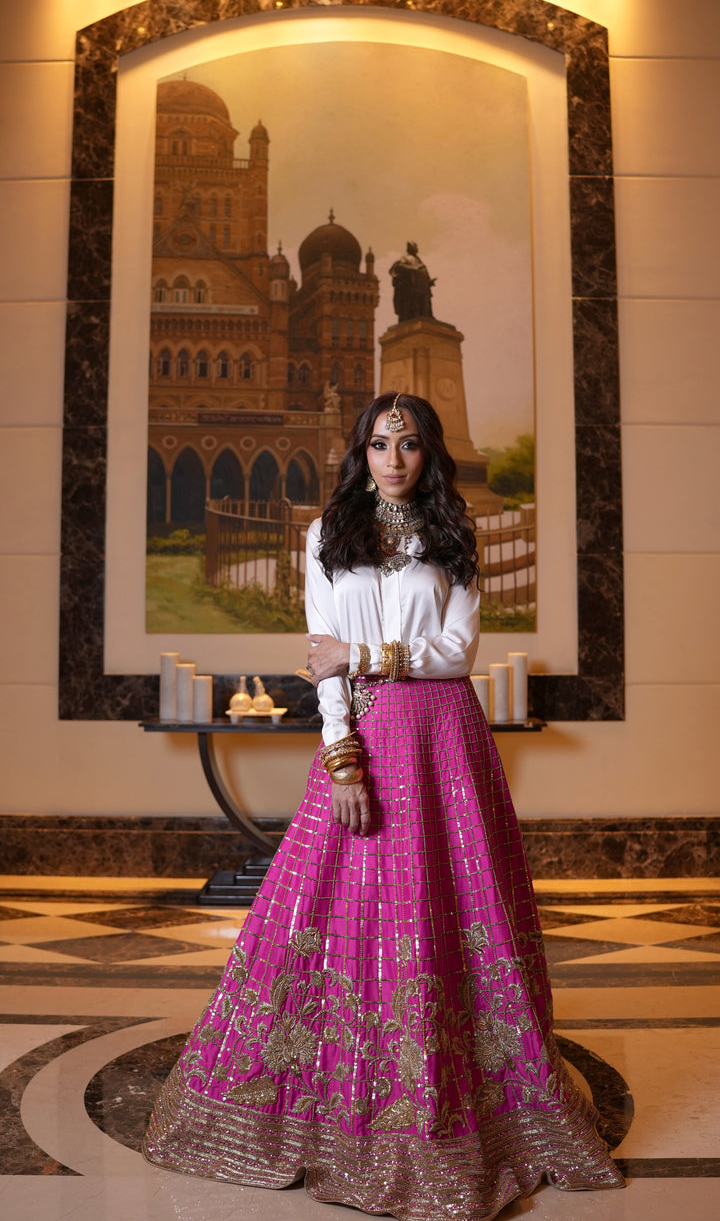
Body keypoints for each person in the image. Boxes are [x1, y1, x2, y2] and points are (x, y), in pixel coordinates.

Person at [143, 392, 624, 1219]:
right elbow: (322, 660)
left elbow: (455, 654)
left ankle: (452, 1095)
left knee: (451, 905)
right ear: (359, 453)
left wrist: (361, 651)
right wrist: (341, 757)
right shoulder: (328, 538)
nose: (393, 458)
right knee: (337, 909)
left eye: (406, 444)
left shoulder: (454, 537)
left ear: (428, 452)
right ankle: (338, 1093)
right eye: (377, 443)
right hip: (367, 733)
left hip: (446, 738)